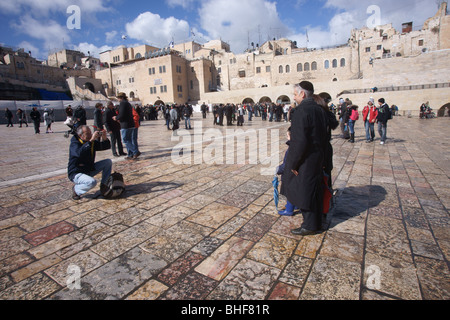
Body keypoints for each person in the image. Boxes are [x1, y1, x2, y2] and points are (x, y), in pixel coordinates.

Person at [281, 81, 327, 236]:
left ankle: (310, 225)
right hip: (317, 156)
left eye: (295, 94)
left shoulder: (302, 111)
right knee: (313, 190)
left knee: (303, 190)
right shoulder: (319, 109)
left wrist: (294, 163)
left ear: (302, 94)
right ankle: (315, 222)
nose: (294, 97)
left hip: (305, 159)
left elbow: (300, 141)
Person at [68, 125, 112, 200]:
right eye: (87, 134)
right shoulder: (75, 143)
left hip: (88, 169)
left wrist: (104, 137)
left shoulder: (90, 142)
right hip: (76, 172)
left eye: (91, 133)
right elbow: (79, 153)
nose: (90, 135)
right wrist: (91, 140)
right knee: (92, 182)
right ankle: (76, 190)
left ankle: (104, 185)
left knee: (108, 162)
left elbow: (105, 146)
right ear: (80, 135)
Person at [114, 92, 137, 159]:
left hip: (126, 125)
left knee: (125, 140)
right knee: (129, 140)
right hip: (130, 124)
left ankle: (135, 151)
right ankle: (130, 154)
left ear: (121, 97)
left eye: (118, 98)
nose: (118, 99)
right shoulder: (128, 103)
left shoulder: (123, 103)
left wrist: (116, 118)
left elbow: (122, 114)